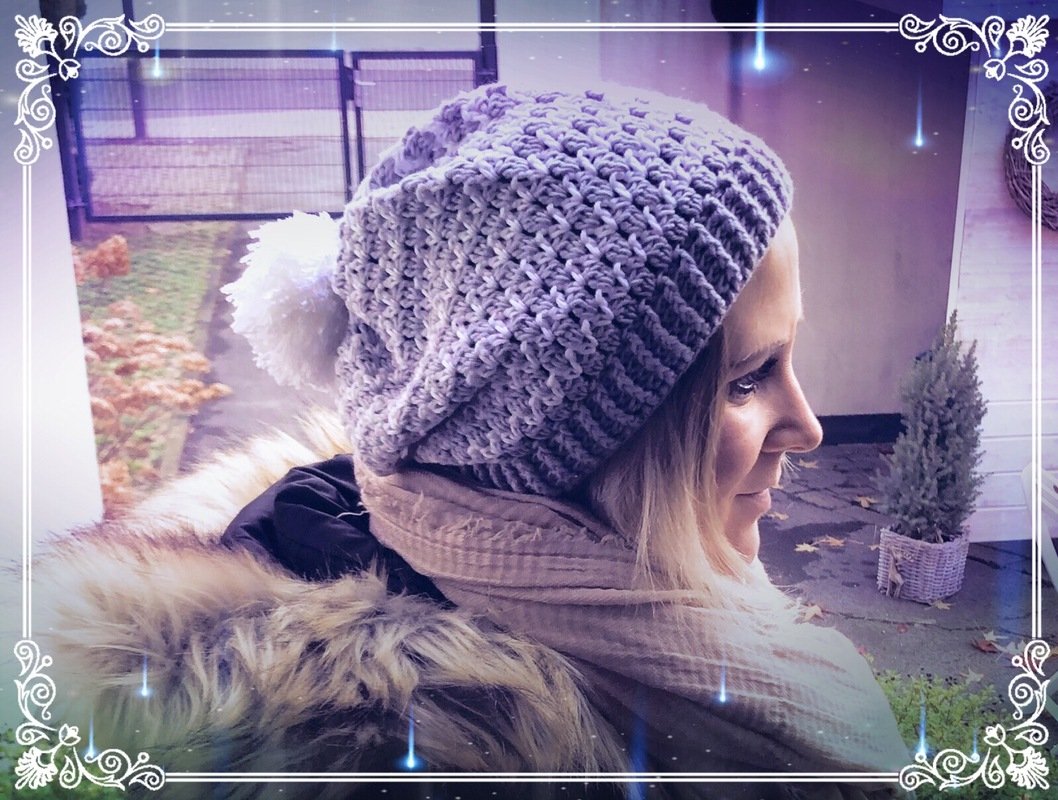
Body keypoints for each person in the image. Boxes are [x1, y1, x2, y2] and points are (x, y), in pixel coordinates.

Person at [35, 84, 909, 799]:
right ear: (570, 440)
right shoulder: (418, 764)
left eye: (786, 358)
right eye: (746, 379)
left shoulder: (628, 613)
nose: (808, 427)